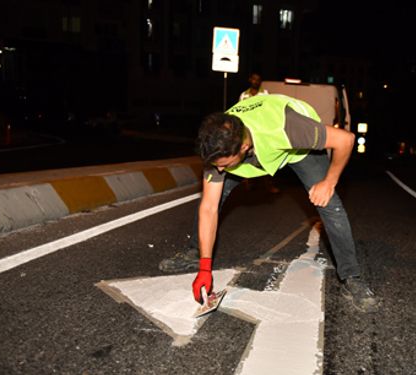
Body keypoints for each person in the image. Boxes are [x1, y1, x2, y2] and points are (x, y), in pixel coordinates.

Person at [160, 94, 380, 313]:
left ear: (244, 147)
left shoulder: (287, 128)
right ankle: (195, 253)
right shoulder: (219, 144)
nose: (218, 171)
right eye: (216, 165)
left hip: (298, 150)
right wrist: (205, 268)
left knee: (330, 205)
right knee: (210, 200)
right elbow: (209, 208)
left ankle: (352, 278)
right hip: (250, 150)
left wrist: (329, 182)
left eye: (223, 165)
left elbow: (346, 139)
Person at [238, 72, 279, 193]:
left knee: (265, 157)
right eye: (254, 79)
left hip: (261, 130)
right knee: (247, 155)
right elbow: (239, 111)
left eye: (258, 80)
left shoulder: (265, 94)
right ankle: (249, 181)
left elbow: (269, 110)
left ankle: (269, 184)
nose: (256, 81)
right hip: (248, 130)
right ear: (250, 80)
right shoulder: (244, 95)